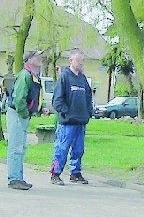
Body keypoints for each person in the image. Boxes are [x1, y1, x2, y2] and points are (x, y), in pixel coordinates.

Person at [50, 50, 94, 185]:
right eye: (78, 61)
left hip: (81, 121)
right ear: (71, 61)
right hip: (67, 122)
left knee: (79, 149)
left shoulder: (83, 79)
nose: (81, 64)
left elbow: (88, 97)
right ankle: (55, 173)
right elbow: (57, 100)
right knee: (61, 149)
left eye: (82, 61)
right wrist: (66, 112)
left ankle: (75, 173)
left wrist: (88, 112)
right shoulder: (64, 77)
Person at [6, 51, 43, 190]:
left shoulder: (32, 76)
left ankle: (18, 178)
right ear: (29, 60)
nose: (40, 58)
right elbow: (19, 99)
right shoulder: (25, 75)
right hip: (17, 114)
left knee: (20, 147)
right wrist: (25, 114)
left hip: (20, 114)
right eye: (36, 56)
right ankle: (14, 179)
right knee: (16, 147)